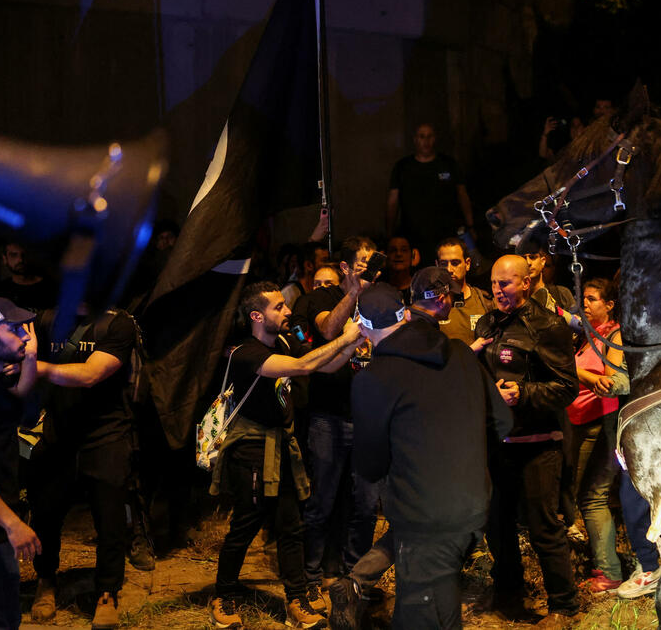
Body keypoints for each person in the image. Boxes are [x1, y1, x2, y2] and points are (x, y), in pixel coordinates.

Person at [346, 282, 510, 628]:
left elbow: (370, 465)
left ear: (360, 325)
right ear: (405, 314)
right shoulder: (461, 353)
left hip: (424, 519)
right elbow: (503, 422)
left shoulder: (373, 379)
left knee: (424, 613)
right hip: (473, 505)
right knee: (434, 606)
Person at [207, 281, 363, 630]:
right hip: (249, 451)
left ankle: (295, 600)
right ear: (257, 316)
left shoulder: (282, 342)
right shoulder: (245, 354)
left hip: (280, 448)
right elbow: (306, 366)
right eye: (279, 307)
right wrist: (344, 336)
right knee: (244, 526)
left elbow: (323, 365)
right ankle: (223, 595)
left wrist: (356, 340)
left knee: (291, 525)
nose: (289, 311)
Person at [475, 255, 580, 626]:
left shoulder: (548, 325)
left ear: (525, 282)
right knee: (497, 526)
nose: (498, 290)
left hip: (538, 442)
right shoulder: (488, 322)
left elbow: (567, 388)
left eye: (505, 283)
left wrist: (523, 392)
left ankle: (563, 606)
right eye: (493, 283)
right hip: (498, 443)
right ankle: (507, 594)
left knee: (543, 528)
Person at [28, 306, 141, 629]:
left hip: (106, 434)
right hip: (58, 433)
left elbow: (92, 374)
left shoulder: (117, 324)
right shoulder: (47, 320)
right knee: (45, 514)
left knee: (109, 520)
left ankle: (107, 592)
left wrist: (38, 368)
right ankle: (45, 580)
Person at [290, 243, 378, 613]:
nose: (368, 272)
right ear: (345, 267)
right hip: (329, 416)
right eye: (361, 265)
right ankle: (309, 580)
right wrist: (354, 292)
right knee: (321, 502)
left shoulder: (383, 301)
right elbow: (327, 329)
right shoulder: (321, 296)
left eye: (374, 266)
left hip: (371, 419)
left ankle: (352, 581)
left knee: (367, 506)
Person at [565, 278, 629, 593]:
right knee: (585, 496)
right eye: (584, 298)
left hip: (600, 423)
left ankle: (608, 571)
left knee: (589, 496)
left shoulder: (614, 336)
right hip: (578, 420)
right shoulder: (588, 334)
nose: (586, 304)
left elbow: (613, 381)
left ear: (609, 304)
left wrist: (575, 372)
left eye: (591, 299)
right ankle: (604, 568)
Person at [0, 298, 39, 630]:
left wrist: (30, 355)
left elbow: (21, 394)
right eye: (12, 328)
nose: (25, 335)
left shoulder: (1, 383)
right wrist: (13, 525)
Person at [386, 123, 474, 263]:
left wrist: (470, 225)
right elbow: (392, 202)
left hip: (445, 234)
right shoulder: (403, 167)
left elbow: (462, 195)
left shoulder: (448, 164)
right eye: (422, 136)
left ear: (435, 139)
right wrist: (389, 233)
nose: (426, 141)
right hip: (413, 235)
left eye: (429, 136)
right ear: (415, 139)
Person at [435, 237, 495, 346]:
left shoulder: (485, 302)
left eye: (455, 263)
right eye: (443, 264)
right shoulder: (430, 304)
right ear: (437, 265)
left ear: (467, 264)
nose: (449, 269)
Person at [0, 241, 57, 311]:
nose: (20, 260)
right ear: (4, 259)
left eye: (24, 255)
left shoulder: (49, 286)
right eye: (13, 255)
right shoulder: (1, 291)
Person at [282, 242, 331, 309]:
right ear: (308, 265)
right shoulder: (289, 294)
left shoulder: (319, 289)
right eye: (324, 261)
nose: (329, 265)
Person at [384, 236, 419, 305]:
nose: (398, 254)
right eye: (393, 250)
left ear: (412, 256)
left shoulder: (420, 291)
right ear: (385, 256)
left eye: (404, 250)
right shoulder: (378, 291)